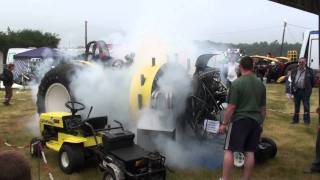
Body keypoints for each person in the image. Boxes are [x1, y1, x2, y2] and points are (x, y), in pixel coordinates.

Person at [218, 56, 266, 180]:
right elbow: (263, 109)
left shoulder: (237, 83)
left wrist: (224, 123)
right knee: (250, 152)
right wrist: (261, 124)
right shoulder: (261, 84)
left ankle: (225, 178)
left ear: (240, 67)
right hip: (255, 121)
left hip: (240, 120)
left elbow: (231, 107)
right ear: (253, 67)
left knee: (229, 149)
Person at [290, 58, 314, 125]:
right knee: (296, 107)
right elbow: (292, 81)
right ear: (298, 63)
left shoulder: (310, 71)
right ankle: (295, 120)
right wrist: (292, 91)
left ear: (305, 63)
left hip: (305, 91)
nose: (301, 63)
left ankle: (306, 121)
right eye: (300, 62)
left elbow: (312, 82)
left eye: (302, 62)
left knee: (306, 107)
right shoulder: (294, 70)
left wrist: (308, 89)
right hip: (297, 91)